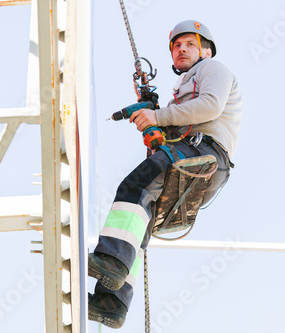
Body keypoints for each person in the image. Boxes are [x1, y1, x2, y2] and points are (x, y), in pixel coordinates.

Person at [88, 20, 243, 329]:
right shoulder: (183, 90)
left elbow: (210, 106)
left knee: (135, 186)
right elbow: (179, 122)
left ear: (206, 50)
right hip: (196, 157)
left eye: (189, 43)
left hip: (205, 153)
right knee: (140, 219)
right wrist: (157, 124)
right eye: (176, 46)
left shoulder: (213, 70)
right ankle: (112, 302)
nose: (180, 49)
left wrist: (157, 115)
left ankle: (113, 263)